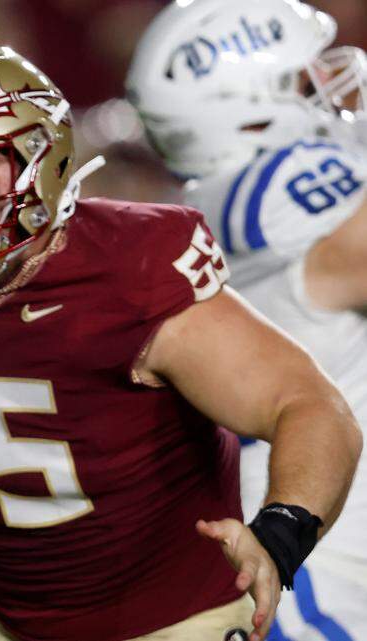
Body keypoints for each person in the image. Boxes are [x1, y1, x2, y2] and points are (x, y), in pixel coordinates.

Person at [0, 44, 361, 641]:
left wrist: (282, 530)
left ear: (44, 162)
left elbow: (308, 404)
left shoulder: (129, 270)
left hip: (174, 619)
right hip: (3, 619)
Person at [128, 0, 367, 638]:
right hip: (322, 565)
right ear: (248, 107)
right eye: (303, 77)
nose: (330, 84)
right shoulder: (274, 184)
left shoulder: (212, 201)